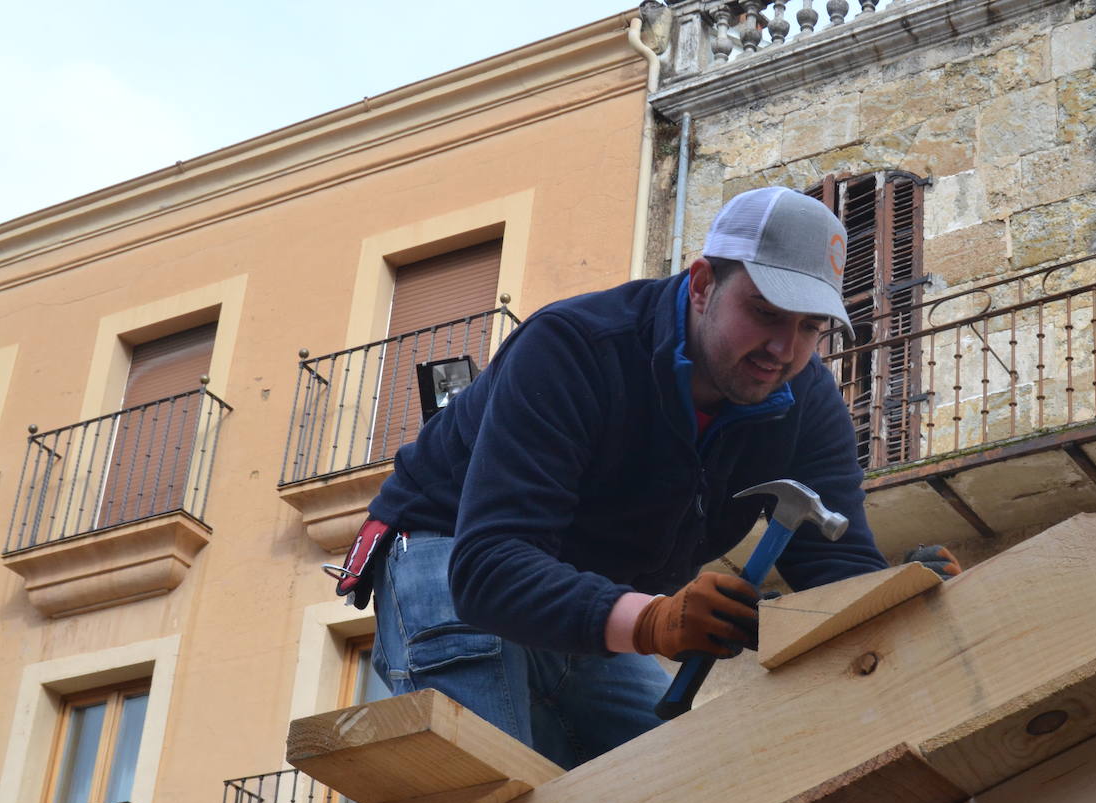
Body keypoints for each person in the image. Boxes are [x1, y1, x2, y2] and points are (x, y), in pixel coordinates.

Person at [332, 186, 958, 769]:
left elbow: (837, 566)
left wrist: (895, 602)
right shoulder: (574, 348)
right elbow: (489, 568)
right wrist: (656, 622)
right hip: (450, 551)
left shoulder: (806, 402)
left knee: (666, 800)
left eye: (811, 328)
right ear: (703, 284)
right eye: (766, 312)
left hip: (586, 588)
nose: (784, 349)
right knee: (483, 801)